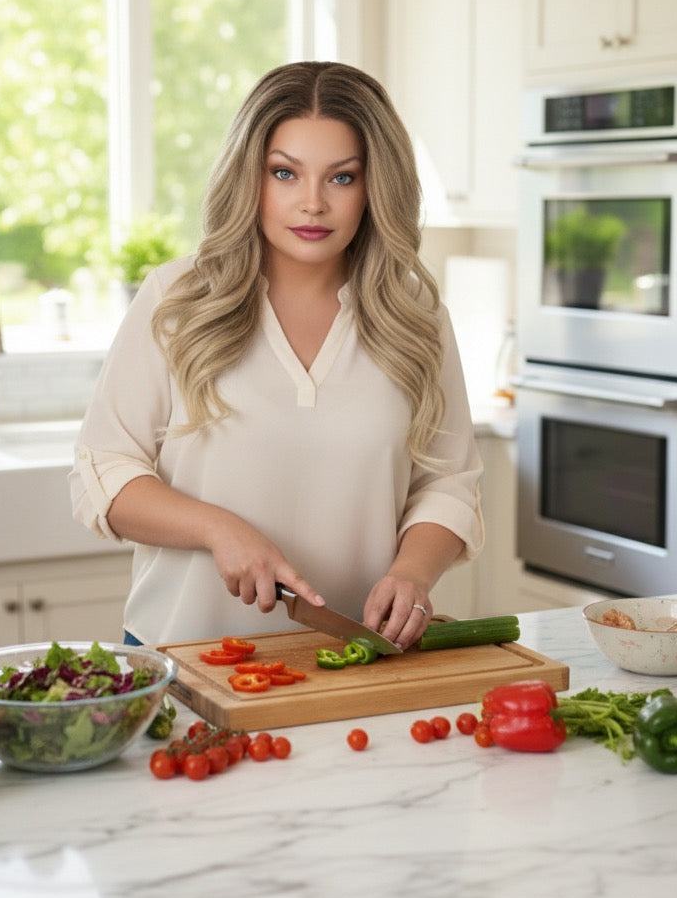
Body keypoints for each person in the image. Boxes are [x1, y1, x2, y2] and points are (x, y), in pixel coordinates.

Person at [70, 61, 484, 651]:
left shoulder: (414, 315)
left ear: (375, 188)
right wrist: (219, 530)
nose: (312, 203)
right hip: (184, 657)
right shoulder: (178, 299)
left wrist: (413, 572)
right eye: (285, 173)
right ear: (250, 178)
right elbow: (104, 474)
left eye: (342, 178)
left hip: (349, 661)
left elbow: (448, 483)